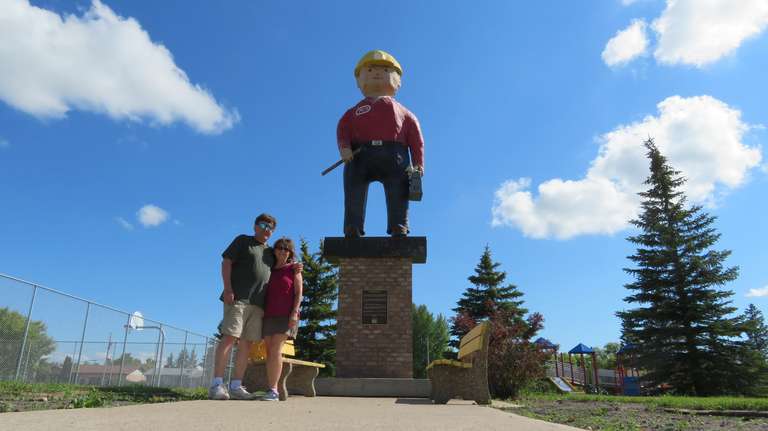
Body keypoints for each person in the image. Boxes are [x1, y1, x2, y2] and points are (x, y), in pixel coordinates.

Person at [209, 213, 300, 400]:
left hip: (259, 306)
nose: (266, 230)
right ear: (255, 226)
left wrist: (297, 266)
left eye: (270, 228)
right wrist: (228, 288)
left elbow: (286, 264)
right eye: (263, 225)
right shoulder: (243, 241)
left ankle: (236, 386)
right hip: (238, 299)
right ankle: (217, 384)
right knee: (229, 337)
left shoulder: (270, 252)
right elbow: (226, 262)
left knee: (246, 344)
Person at [337, 49, 425, 237]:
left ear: (398, 80)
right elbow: (343, 129)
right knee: (354, 189)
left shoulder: (404, 113)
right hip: (360, 155)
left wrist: (418, 164)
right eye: (370, 70)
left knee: (398, 191)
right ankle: (352, 226)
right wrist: (344, 148)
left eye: (385, 70)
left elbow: (416, 140)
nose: (377, 73)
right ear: (359, 80)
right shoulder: (354, 111)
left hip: (395, 156)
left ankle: (399, 225)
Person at [260, 237, 303, 401]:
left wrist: (294, 312)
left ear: (290, 252)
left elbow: (299, 293)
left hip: (286, 316)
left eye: (286, 249)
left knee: (276, 350)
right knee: (269, 352)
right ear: (274, 250)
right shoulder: (269, 269)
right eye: (279, 248)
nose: (283, 251)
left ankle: (273, 391)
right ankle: (271, 388)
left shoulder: (294, 269)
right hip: (268, 315)